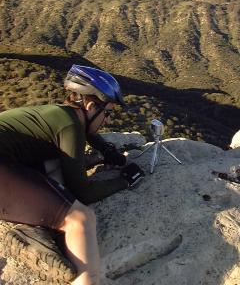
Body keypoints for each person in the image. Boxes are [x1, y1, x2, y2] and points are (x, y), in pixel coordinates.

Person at [0, 64, 145, 285]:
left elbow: (84, 134)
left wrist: (106, 150)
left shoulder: (61, 114)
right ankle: (88, 279)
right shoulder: (68, 124)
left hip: (10, 163)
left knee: (54, 175)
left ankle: (34, 231)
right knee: (81, 219)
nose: (107, 120)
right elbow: (83, 192)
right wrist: (125, 180)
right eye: (106, 112)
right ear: (89, 105)